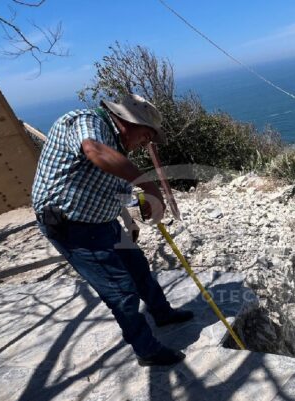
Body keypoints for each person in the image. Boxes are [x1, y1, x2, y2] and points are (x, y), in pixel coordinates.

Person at [32, 94, 192, 366]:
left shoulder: (118, 146)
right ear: (130, 121)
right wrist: (149, 185)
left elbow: (111, 187)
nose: (146, 143)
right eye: (147, 135)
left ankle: (162, 314)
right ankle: (147, 350)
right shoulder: (86, 121)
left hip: (102, 221)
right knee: (121, 290)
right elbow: (94, 151)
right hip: (71, 226)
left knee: (138, 268)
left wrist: (133, 216)